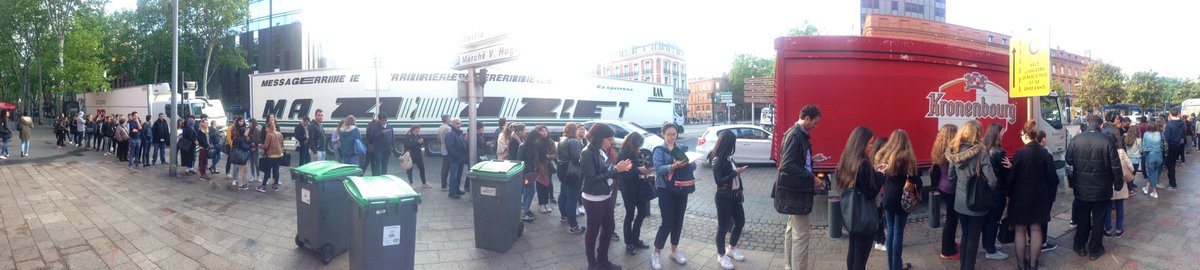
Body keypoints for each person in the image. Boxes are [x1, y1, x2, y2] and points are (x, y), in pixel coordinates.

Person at [1066, 115, 1121, 261]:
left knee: (1083, 217)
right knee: (1099, 219)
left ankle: (1080, 246)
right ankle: (1095, 249)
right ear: (1101, 125)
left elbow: (1068, 160)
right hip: (1102, 189)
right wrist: (1118, 183)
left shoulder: (1076, 139)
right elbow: (1115, 165)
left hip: (1081, 187)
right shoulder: (1107, 140)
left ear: (1088, 124)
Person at [579, 122, 633, 270]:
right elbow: (592, 178)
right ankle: (592, 264)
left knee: (609, 228)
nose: (612, 142)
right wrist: (616, 169)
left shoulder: (602, 150)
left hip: (605, 195)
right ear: (600, 138)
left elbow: (608, 170)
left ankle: (603, 260)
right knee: (593, 231)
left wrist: (621, 169)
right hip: (594, 198)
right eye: (609, 139)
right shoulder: (587, 152)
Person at [776, 105, 823, 270]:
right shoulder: (797, 135)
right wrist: (812, 177)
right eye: (815, 123)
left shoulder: (795, 133)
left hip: (793, 192)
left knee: (791, 230)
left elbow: (793, 161)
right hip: (797, 193)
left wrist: (812, 159)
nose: (816, 127)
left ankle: (789, 266)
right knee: (801, 236)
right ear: (807, 118)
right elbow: (787, 165)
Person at [946, 120, 998, 270]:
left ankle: (963, 266)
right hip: (977, 203)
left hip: (960, 202)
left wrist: (962, 187)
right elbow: (992, 181)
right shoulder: (981, 153)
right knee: (973, 238)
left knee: (965, 235)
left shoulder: (954, 150)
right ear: (978, 134)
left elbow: (951, 177)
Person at [1006, 121, 1057, 269]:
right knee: (1036, 229)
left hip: (1020, 197)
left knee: (1020, 229)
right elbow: (1052, 178)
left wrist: (1008, 192)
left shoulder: (1020, 153)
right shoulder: (1045, 153)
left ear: (1025, 135)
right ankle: (1034, 264)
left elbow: (1012, 177)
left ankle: (1021, 265)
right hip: (1039, 196)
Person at [838, 126, 883, 270]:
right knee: (860, 260)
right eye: (870, 143)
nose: (871, 146)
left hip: (852, 215)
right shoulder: (863, 163)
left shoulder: (847, 159)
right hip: (864, 218)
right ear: (861, 143)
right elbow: (870, 192)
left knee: (853, 253)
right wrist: (881, 175)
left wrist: (874, 172)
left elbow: (859, 184)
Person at [650, 122, 694, 270]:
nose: (671, 137)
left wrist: (690, 162)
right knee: (667, 222)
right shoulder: (659, 150)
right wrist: (672, 166)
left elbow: (691, 166)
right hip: (665, 189)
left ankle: (674, 251)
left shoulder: (680, 148)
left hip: (681, 188)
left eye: (674, 134)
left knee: (678, 220)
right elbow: (658, 169)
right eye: (669, 134)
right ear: (663, 134)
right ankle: (656, 253)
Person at [875, 129, 920, 270]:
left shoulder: (884, 155)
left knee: (890, 232)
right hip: (903, 199)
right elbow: (914, 179)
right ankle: (896, 266)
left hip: (887, 197)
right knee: (898, 232)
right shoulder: (908, 158)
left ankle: (892, 266)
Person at [709, 130, 748, 269]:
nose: (733, 146)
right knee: (723, 227)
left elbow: (732, 175)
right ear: (727, 143)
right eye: (732, 143)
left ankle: (731, 248)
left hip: (735, 196)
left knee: (740, 222)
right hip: (723, 197)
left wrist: (737, 171)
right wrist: (734, 173)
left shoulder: (729, 158)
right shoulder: (717, 159)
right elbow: (719, 181)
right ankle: (721, 255)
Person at [616, 131, 654, 252]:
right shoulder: (623, 154)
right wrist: (639, 170)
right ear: (633, 144)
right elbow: (624, 175)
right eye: (638, 145)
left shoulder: (634, 153)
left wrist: (646, 171)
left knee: (642, 212)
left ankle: (635, 238)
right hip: (628, 189)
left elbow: (636, 170)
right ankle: (629, 243)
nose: (639, 148)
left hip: (638, 187)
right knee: (630, 215)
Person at [929, 124, 961, 260]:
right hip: (952, 188)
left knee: (951, 218)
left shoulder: (939, 148)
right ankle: (947, 251)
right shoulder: (952, 150)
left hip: (943, 186)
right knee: (951, 219)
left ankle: (951, 243)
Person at [980, 123, 1012, 260]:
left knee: (987, 219)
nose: (1003, 134)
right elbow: (1006, 174)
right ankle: (991, 250)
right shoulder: (999, 152)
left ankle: (987, 244)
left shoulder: (984, 149)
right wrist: (1011, 167)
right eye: (1002, 132)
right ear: (996, 134)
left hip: (987, 190)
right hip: (998, 191)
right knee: (994, 220)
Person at [1104, 129, 1134, 239]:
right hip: (1119, 183)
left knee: (1107, 207)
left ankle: (1107, 230)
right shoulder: (1121, 152)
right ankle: (1118, 229)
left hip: (1106, 184)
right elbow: (1130, 166)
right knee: (1119, 206)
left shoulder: (1102, 151)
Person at [519, 129, 552, 220]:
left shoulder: (532, 146)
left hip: (531, 173)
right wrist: (525, 173)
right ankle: (525, 211)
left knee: (527, 191)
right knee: (531, 191)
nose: (538, 141)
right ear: (533, 138)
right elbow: (519, 161)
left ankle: (525, 209)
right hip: (526, 174)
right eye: (537, 139)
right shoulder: (523, 146)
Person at [443, 118, 468, 199]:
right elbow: (450, 148)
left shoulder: (458, 133)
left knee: (458, 175)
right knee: (454, 175)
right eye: (457, 123)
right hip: (454, 159)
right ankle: (452, 192)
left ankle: (456, 189)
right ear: (453, 124)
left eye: (460, 123)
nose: (459, 125)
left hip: (459, 159)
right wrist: (459, 156)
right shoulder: (450, 134)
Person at [257, 122, 284, 192]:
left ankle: (263, 186)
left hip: (271, 155)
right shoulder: (279, 134)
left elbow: (266, 146)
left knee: (267, 171)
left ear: (269, 128)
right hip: (279, 155)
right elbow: (282, 144)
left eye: (266, 127)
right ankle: (275, 186)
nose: (265, 129)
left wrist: (259, 145)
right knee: (276, 170)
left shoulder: (269, 134)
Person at [1163, 108, 1186, 190]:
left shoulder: (1169, 124)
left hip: (1170, 146)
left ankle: (1172, 184)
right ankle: (1172, 183)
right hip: (1178, 145)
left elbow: (1166, 137)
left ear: (1170, 114)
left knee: (1170, 165)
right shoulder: (1181, 123)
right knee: (1173, 164)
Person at [1141, 121, 1165, 198]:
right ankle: (1147, 188)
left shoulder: (1146, 134)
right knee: (1154, 173)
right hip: (1159, 155)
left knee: (1151, 173)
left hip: (1150, 155)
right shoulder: (1159, 133)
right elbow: (1162, 144)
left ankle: (1154, 192)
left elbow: (1143, 145)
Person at [230, 125, 252, 190]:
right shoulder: (241, 139)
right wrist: (251, 145)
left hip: (241, 157)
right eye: (246, 131)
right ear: (243, 132)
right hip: (241, 157)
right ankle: (240, 185)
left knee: (243, 170)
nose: (248, 132)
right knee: (241, 171)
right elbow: (245, 147)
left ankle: (243, 183)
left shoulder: (242, 138)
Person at [437, 114, 452, 190]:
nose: (450, 120)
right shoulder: (448, 128)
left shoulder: (440, 127)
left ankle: (443, 183)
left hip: (442, 148)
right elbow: (449, 140)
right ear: (446, 119)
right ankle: (444, 185)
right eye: (449, 119)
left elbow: (438, 139)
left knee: (444, 166)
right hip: (447, 149)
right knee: (447, 167)